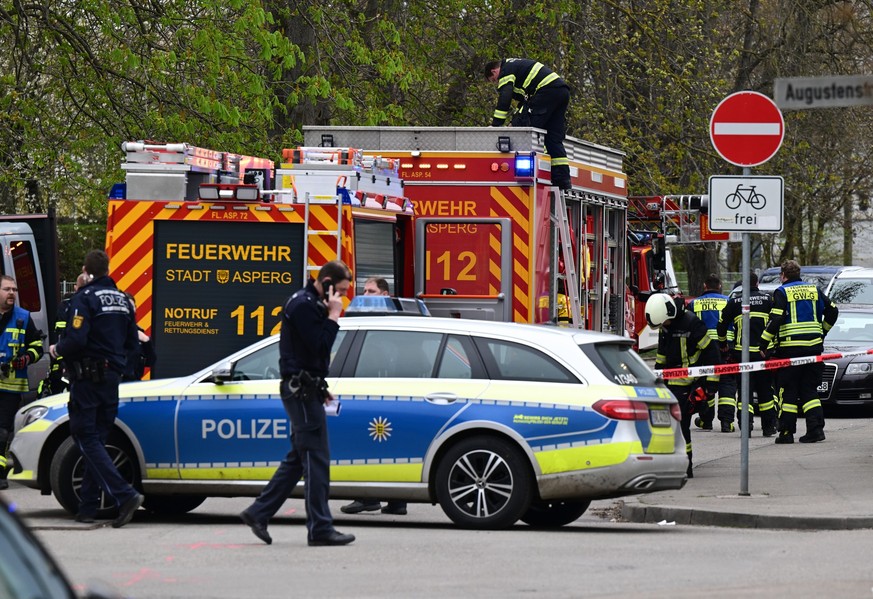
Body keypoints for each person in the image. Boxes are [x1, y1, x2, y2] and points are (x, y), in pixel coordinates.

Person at [240, 260, 356, 546]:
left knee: (298, 458)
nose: (341, 297)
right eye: (340, 290)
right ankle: (320, 529)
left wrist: (320, 385)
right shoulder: (304, 305)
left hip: (307, 389)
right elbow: (320, 345)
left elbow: (311, 357)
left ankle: (258, 512)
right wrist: (334, 316)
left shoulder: (310, 302)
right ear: (327, 282)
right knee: (316, 459)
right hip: (300, 392)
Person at [49, 250, 143, 526]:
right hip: (112, 379)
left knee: (85, 436)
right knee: (97, 440)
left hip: (88, 380)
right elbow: (133, 345)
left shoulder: (85, 298)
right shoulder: (124, 300)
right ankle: (88, 506)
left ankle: (125, 495)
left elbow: (76, 339)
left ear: (86, 270)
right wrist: (116, 367)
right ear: (107, 268)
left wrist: (56, 350)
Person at [341, 277, 408, 517]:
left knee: (370, 443)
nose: (365, 294)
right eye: (364, 290)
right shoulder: (386, 322)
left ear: (386, 295)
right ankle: (396, 501)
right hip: (387, 394)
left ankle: (369, 498)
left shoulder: (386, 326)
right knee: (387, 443)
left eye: (371, 291)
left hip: (381, 393)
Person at [760, 259, 838, 444]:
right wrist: (822, 332)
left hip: (791, 349)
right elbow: (833, 311)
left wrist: (762, 344)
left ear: (783, 275)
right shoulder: (814, 290)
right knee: (809, 390)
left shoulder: (782, 291)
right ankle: (816, 430)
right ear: (799, 274)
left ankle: (786, 433)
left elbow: (776, 319)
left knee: (788, 391)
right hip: (814, 348)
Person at [646, 293, 719, 478]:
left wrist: (711, 384)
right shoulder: (666, 326)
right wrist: (658, 378)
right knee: (667, 425)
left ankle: (685, 465)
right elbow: (662, 357)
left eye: (664, 323)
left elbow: (712, 354)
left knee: (682, 425)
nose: (663, 327)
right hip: (672, 385)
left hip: (691, 384)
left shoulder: (692, 324)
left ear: (670, 314)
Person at [484, 58, 572, 190]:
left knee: (524, 128)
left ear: (494, 71)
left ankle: (530, 173)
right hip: (561, 91)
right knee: (553, 138)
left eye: (494, 80)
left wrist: (497, 126)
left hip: (546, 91)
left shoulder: (506, 69)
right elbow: (524, 101)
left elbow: (505, 98)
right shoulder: (518, 67)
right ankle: (562, 180)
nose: (497, 83)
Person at [718, 272, 778, 437]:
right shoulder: (768, 300)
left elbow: (721, 326)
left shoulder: (734, 302)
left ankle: (746, 426)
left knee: (745, 391)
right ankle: (769, 427)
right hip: (764, 354)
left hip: (742, 355)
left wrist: (723, 345)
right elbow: (777, 323)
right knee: (766, 391)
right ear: (757, 283)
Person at [0, 275, 44, 490]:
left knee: (2, 431)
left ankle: (0, 474)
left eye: (14, 290)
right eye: (7, 289)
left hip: (11, 386)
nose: (11, 293)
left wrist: (26, 358)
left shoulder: (23, 317)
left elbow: (37, 346)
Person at [687, 275, 736, 432]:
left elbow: (689, 327)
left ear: (704, 286)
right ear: (720, 286)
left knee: (705, 383)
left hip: (704, 350)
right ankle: (727, 422)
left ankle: (706, 420)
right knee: (727, 383)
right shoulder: (728, 302)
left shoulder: (694, 304)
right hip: (725, 348)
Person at [40, 273, 90, 397]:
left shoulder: (67, 305)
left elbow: (62, 334)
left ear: (75, 287)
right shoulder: (95, 303)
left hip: (69, 359)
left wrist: (59, 353)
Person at [121, 294, 156, 382]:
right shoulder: (110, 332)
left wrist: (146, 341)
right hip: (116, 382)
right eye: (126, 306)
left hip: (134, 383)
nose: (129, 310)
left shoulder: (140, 334)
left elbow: (151, 361)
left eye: (131, 306)